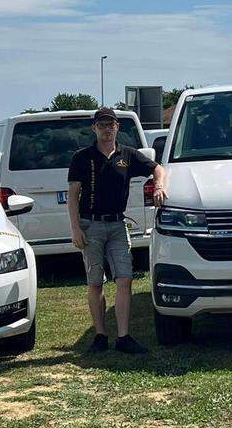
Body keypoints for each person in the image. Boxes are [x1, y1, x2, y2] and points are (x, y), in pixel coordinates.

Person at [67, 107, 167, 355]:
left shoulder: (128, 155)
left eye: (110, 124)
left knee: (125, 279)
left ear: (117, 127)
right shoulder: (82, 157)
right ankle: (100, 336)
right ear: (94, 128)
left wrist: (159, 186)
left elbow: (158, 168)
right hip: (90, 226)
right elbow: (73, 195)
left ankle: (124, 337)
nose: (107, 129)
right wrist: (75, 228)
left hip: (117, 225)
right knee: (95, 283)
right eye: (101, 125)